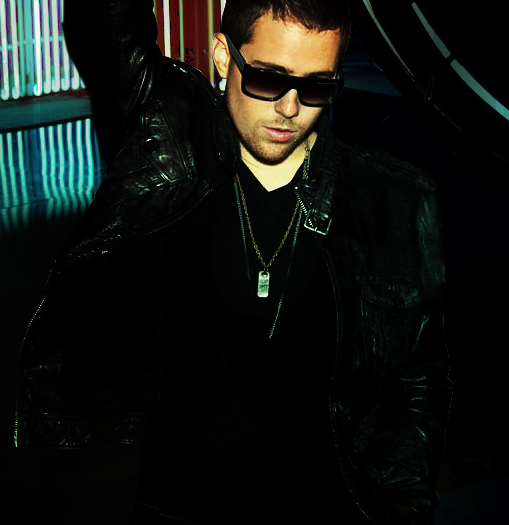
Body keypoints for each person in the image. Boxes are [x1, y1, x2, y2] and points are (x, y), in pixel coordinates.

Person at [14, 0, 452, 523]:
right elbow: (105, 20)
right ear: (224, 57)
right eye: (268, 78)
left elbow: (417, 384)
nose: (290, 107)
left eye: (317, 86)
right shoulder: (164, 142)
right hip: (176, 506)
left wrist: (404, 508)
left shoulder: (394, 201)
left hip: (331, 506)